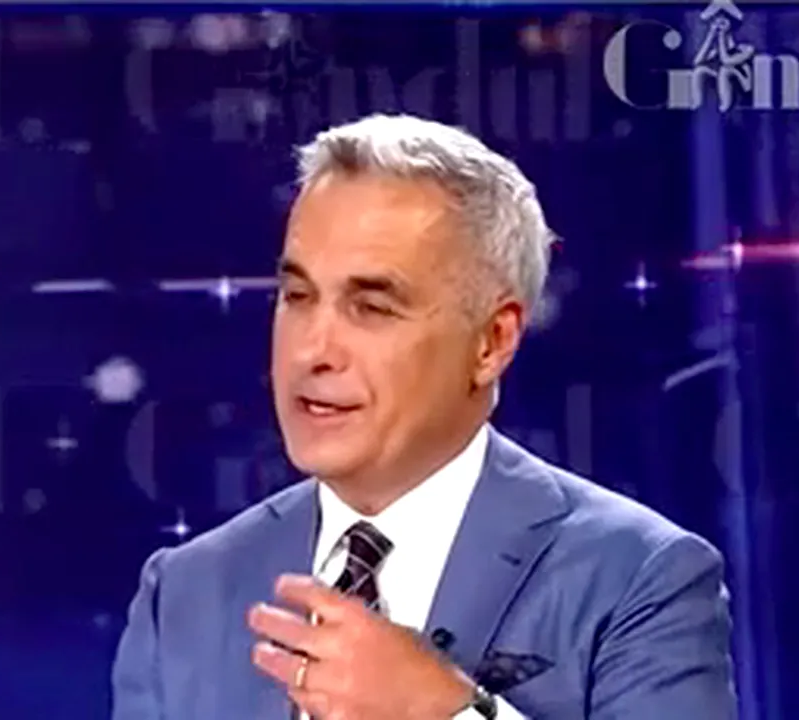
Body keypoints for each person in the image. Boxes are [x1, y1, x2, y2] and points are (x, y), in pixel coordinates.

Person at [111, 114, 737, 719]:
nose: (311, 350)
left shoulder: (641, 579)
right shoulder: (184, 592)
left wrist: (446, 714)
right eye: (297, 297)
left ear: (491, 342)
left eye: (371, 307)